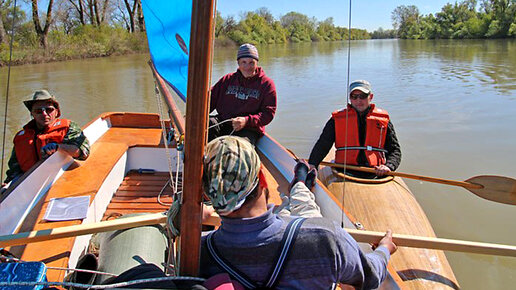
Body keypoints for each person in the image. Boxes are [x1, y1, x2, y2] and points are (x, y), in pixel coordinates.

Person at [199, 136, 397, 289]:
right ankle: (299, 185)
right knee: (305, 210)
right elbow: (371, 277)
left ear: (209, 194)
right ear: (263, 178)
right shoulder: (324, 239)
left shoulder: (198, 250)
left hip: (248, 231)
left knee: (291, 211)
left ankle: (298, 187)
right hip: (297, 234)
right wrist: (384, 250)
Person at [308, 80, 401, 178]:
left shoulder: (383, 120)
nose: (358, 101)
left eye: (363, 96)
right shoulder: (336, 119)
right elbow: (323, 144)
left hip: (375, 172)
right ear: (350, 98)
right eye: (354, 97)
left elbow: (395, 150)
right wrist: (313, 163)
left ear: (371, 97)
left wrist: (389, 166)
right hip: (343, 169)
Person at [2, 90, 90, 188]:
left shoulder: (68, 127)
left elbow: (82, 152)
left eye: (49, 110)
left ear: (56, 112)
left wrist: (58, 147)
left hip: (62, 180)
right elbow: (14, 169)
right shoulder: (20, 137)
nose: (44, 114)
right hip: (30, 187)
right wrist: (7, 185)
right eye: (38, 111)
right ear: (32, 114)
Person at [208, 43, 277, 145]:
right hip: (223, 123)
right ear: (238, 63)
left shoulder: (267, 84)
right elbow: (209, 102)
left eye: (251, 63)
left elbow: (268, 114)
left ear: (257, 63)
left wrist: (246, 120)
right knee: (205, 125)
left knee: (236, 149)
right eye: (243, 62)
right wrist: (194, 113)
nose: (247, 67)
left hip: (248, 129)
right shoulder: (227, 80)